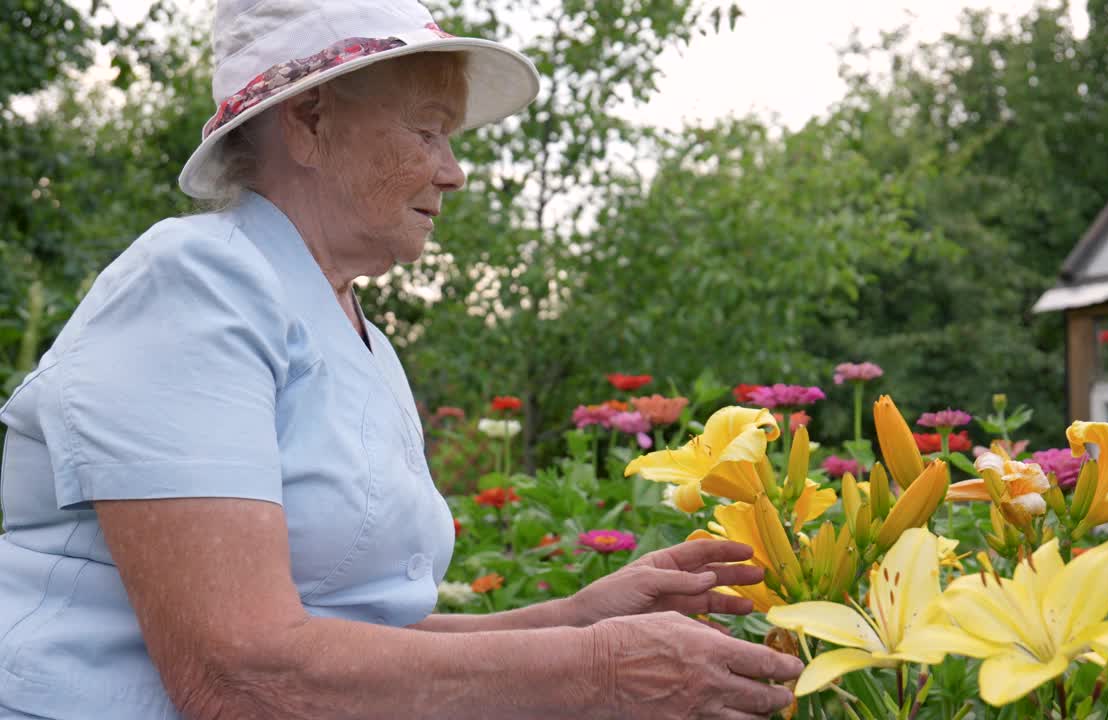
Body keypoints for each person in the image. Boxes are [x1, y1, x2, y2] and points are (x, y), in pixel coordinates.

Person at [0, 1, 801, 718]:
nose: (453, 172)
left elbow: (356, 634)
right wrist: (598, 671)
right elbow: (240, 676)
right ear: (309, 121)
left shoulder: (358, 335)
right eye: (427, 132)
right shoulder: (194, 285)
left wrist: (576, 618)